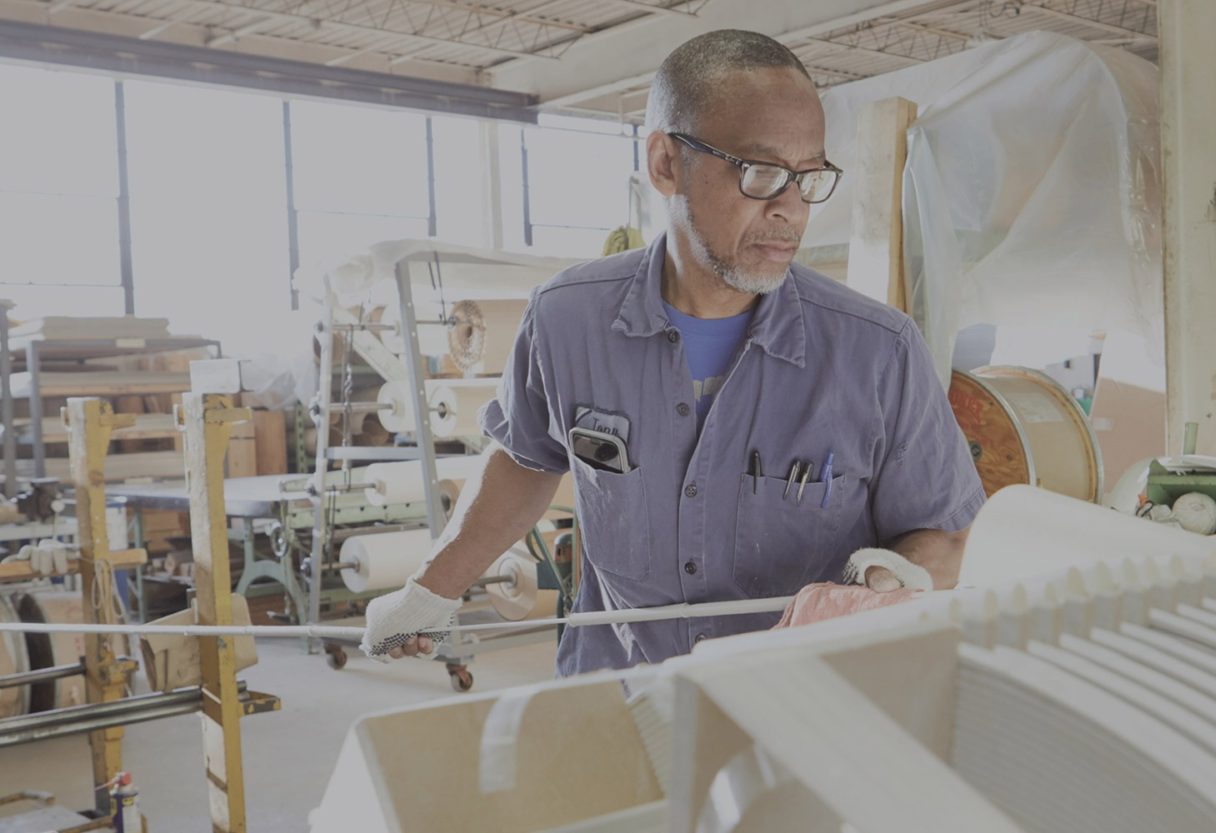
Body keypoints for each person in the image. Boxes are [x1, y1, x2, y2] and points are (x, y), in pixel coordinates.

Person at [360, 29, 984, 675]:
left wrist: (900, 577)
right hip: (616, 688)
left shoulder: (878, 352)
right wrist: (429, 589)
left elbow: (949, 531)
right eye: (761, 172)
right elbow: (524, 461)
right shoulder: (566, 320)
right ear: (665, 163)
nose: (791, 210)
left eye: (808, 177)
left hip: (796, 701)